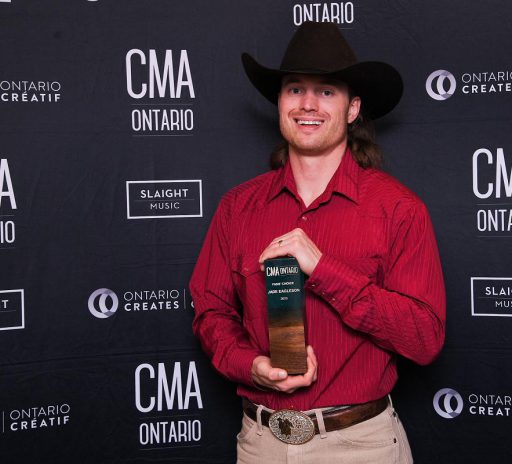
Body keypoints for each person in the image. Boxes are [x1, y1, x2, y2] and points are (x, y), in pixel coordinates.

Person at [190, 21, 445, 463]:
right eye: (295, 89)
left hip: (360, 446)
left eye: (327, 91)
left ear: (352, 109)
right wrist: (251, 365)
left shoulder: (399, 209)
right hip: (261, 444)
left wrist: (324, 269)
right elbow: (211, 313)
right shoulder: (238, 208)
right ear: (280, 103)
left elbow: (424, 338)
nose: (308, 104)